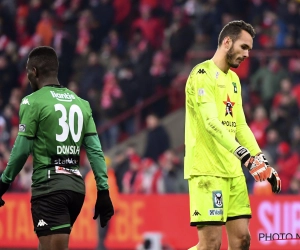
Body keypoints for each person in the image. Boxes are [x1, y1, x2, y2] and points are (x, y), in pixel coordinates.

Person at [0, 46, 114, 250]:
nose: (27, 78)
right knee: (47, 245)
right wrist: (103, 192)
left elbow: (22, 149)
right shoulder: (81, 104)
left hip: (49, 187)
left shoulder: (32, 101)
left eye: (27, 72)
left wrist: (3, 182)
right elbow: (95, 152)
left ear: (34, 72)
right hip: (76, 190)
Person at [184, 20, 282, 250]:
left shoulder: (234, 80)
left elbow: (240, 126)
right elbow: (211, 123)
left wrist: (262, 161)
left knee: (241, 240)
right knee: (211, 245)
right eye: (244, 47)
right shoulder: (201, 75)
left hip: (232, 172)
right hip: (207, 170)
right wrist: (246, 157)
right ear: (227, 42)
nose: (248, 54)